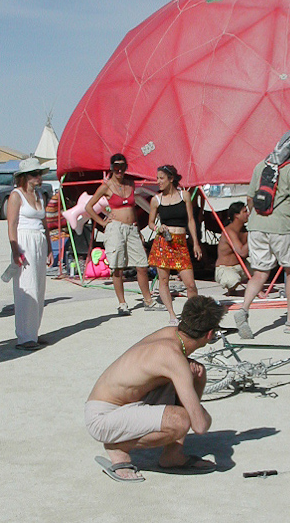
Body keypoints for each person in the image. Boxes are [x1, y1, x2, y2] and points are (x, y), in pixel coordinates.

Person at [85, 295, 225, 482]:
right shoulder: (174, 358)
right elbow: (200, 426)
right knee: (181, 421)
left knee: (197, 374)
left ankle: (172, 456)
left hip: (121, 405)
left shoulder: (171, 334)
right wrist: (203, 416)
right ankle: (118, 447)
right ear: (209, 334)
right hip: (102, 418)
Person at [232, 131, 290, 339]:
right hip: (283, 228)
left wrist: (257, 219)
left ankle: (243, 310)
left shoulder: (262, 165)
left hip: (257, 226)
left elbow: (250, 199)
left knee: (259, 273)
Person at [86, 154, 164, 315]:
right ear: (111, 167)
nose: (119, 169)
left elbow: (133, 209)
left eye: (122, 166)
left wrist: (138, 228)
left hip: (131, 228)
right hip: (115, 229)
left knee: (142, 264)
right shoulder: (106, 186)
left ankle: (148, 300)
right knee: (117, 267)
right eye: (116, 166)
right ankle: (122, 303)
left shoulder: (130, 184)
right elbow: (89, 206)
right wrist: (101, 222)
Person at [7, 157, 54, 350]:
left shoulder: (40, 195)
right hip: (24, 240)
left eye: (40, 174)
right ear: (25, 177)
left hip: (39, 240)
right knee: (26, 287)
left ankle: (33, 332)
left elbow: (45, 225)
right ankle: (24, 336)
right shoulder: (16, 195)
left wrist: (50, 249)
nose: (39, 178)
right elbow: (11, 224)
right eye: (35, 174)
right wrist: (15, 249)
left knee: (39, 287)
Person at [148, 165, 202, 325]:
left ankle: (193, 314)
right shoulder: (156, 200)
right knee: (163, 280)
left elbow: (191, 220)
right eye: (157, 178)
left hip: (180, 242)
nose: (158, 182)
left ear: (171, 179)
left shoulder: (184, 195)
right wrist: (158, 228)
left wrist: (195, 243)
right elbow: (150, 223)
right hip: (163, 242)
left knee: (190, 284)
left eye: (161, 178)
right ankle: (172, 315)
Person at [214, 201, 250, 294]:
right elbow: (242, 252)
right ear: (236, 215)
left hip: (241, 266)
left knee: (262, 269)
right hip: (226, 268)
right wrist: (253, 236)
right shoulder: (229, 231)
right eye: (245, 212)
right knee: (233, 280)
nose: (248, 214)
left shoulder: (245, 231)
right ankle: (231, 288)